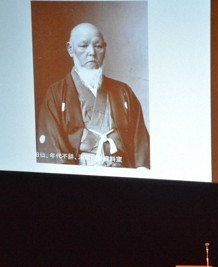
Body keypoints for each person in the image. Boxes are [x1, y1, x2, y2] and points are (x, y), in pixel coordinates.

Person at [36, 22, 150, 168]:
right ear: (70, 49)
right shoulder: (57, 93)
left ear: (105, 49)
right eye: (83, 46)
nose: (92, 52)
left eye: (98, 46)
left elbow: (141, 143)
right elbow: (54, 147)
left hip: (122, 174)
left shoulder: (123, 92)